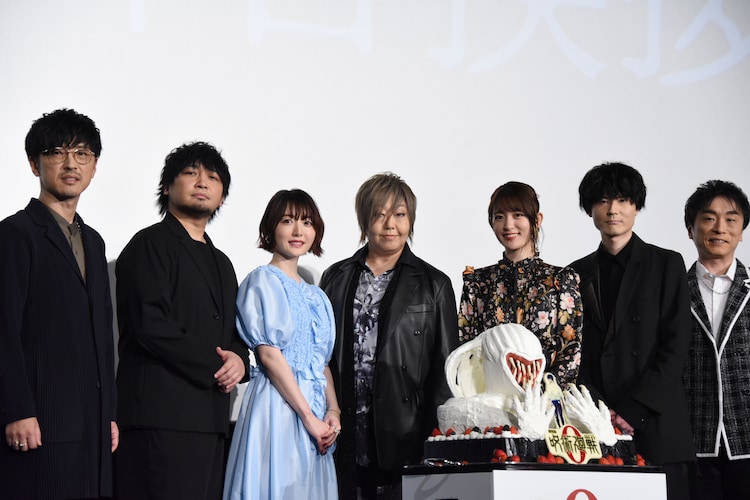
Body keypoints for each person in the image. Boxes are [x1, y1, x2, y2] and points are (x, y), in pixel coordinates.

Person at [115, 141, 249, 500]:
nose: (202, 182)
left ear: (222, 197)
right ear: (166, 187)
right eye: (191, 173)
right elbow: (149, 324)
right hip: (160, 417)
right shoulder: (148, 244)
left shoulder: (223, 262)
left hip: (211, 419)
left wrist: (239, 359)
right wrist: (216, 365)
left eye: (213, 178)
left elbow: (234, 329)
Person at [0, 108, 118, 499]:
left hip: (91, 423)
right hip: (40, 419)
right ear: (34, 164)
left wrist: (109, 413)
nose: (71, 164)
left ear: (94, 166)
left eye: (82, 154)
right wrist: (16, 408)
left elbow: (103, 335)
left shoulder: (94, 241)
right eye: (56, 152)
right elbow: (4, 330)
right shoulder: (15, 234)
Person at [319, 172, 459, 500]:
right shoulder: (336, 276)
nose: (390, 224)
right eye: (379, 214)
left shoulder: (433, 283)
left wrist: (434, 440)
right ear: (364, 220)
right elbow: (321, 354)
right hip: (341, 432)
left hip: (405, 432)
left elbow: (446, 371)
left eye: (399, 214)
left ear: (411, 220)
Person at [569, 162, 694, 500]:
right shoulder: (576, 273)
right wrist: (601, 411)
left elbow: (675, 346)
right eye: (603, 200)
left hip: (656, 423)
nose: (613, 210)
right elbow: (573, 353)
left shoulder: (666, 264)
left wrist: (631, 410)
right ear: (590, 209)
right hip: (597, 428)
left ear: (636, 206)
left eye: (623, 200)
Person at [224, 189, 340, 500]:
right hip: (277, 407)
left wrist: (333, 411)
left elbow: (321, 363)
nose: (298, 231)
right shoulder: (263, 281)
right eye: (288, 221)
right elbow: (269, 355)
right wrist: (309, 418)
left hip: (316, 414)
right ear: (271, 228)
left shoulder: (317, 296)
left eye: (307, 222)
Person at [458, 181, 583, 385]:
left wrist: (539, 394)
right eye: (499, 217)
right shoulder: (478, 283)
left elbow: (570, 354)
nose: (508, 225)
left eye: (518, 214)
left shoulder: (560, 280)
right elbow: (466, 351)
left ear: (537, 219)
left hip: (546, 400)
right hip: (489, 400)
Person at [682, 180, 750, 500]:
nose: (720, 228)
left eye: (731, 219)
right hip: (693, 440)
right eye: (708, 218)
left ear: (742, 229)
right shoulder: (672, 291)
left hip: (746, 439)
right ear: (690, 228)